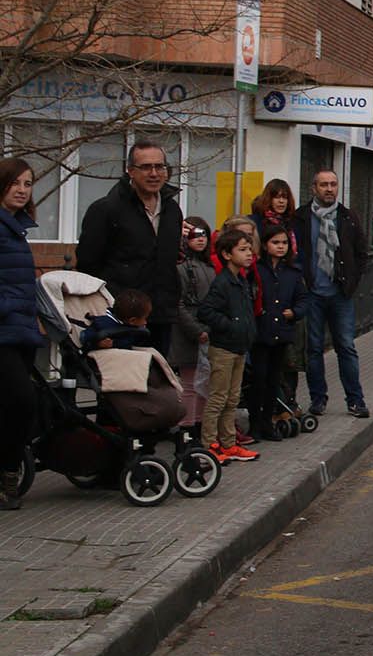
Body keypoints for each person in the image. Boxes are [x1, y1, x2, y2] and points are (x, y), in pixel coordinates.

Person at [76, 141, 185, 358]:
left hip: (161, 314)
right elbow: (88, 265)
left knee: (158, 377)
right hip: (121, 320)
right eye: (145, 167)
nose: (153, 173)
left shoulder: (173, 210)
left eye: (159, 166)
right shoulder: (106, 209)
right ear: (130, 171)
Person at [292, 169, 369, 418]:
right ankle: (318, 399)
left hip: (340, 294)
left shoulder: (348, 217)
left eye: (333, 184)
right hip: (312, 294)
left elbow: (361, 253)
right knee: (313, 349)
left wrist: (351, 283)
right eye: (324, 184)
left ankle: (355, 400)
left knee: (346, 347)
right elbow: (294, 253)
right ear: (313, 188)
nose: (329, 189)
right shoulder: (301, 217)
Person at [196, 230, 260, 465]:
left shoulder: (241, 280)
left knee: (232, 398)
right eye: (242, 250)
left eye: (249, 249)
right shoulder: (223, 282)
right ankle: (209, 445)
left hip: (239, 347)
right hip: (224, 348)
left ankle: (229, 442)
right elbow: (206, 311)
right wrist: (230, 326)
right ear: (226, 254)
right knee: (218, 398)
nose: (249, 254)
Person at [0, 158, 42, 511]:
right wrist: (13, 303)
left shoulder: (16, 228)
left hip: (21, 330)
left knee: (18, 405)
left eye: (27, 184)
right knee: (20, 400)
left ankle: (9, 472)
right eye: (15, 182)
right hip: (4, 330)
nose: (22, 190)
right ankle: (7, 473)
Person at [250, 224, 308, 442]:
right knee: (258, 380)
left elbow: (303, 299)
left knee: (274, 379)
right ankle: (255, 424)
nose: (280, 247)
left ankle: (268, 422)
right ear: (266, 245)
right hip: (260, 332)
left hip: (281, 331)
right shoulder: (257, 269)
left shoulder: (293, 272)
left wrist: (294, 312)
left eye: (284, 243)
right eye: (275, 242)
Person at [173, 217, 213, 430]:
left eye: (204, 234)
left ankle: (200, 425)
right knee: (189, 384)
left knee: (204, 383)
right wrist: (196, 330)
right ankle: (186, 428)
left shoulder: (209, 266)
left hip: (208, 329)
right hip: (187, 333)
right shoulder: (180, 268)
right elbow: (177, 304)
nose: (200, 239)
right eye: (194, 235)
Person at [80, 290, 153, 351]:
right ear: (132, 320)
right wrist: (99, 343)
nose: (146, 322)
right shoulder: (103, 323)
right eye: (145, 319)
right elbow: (84, 336)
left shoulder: (135, 328)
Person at [251, 179, 298, 258]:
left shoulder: (293, 222)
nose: (281, 201)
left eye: (285, 197)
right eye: (277, 197)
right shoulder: (256, 221)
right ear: (268, 198)